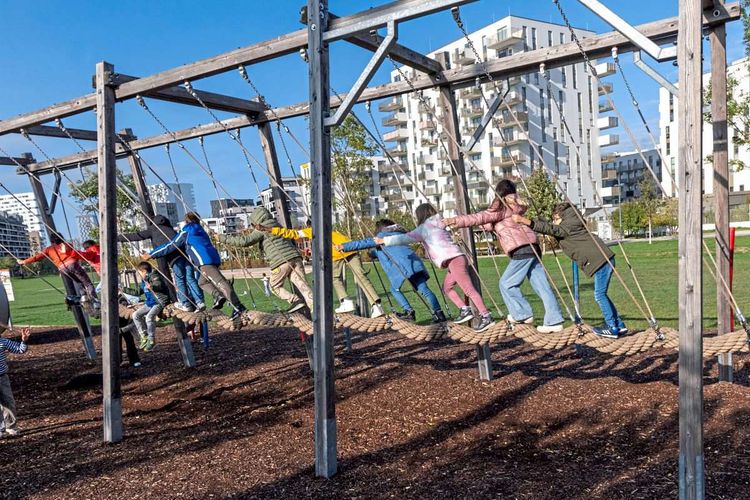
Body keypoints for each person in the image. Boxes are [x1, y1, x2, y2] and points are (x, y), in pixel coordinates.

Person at [444, 180, 564, 333]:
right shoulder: (517, 204)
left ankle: (522, 314)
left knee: (506, 284)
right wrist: (489, 225)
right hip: (532, 246)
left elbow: (480, 217)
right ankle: (554, 320)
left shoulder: (501, 204)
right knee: (542, 286)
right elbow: (495, 221)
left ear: (499, 192)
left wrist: (454, 220)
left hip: (520, 248)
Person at [513, 202, 627, 338]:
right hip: (603, 259)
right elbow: (551, 228)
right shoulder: (573, 222)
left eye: (555, 219)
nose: (554, 222)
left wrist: (524, 221)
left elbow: (554, 230)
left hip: (600, 261)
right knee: (602, 294)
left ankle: (612, 327)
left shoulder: (568, 226)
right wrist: (543, 222)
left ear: (561, 216)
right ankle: (619, 325)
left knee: (599, 295)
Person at [374, 204, 494, 333]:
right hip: (455, 259)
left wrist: (384, 241)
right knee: (447, 288)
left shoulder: (424, 228)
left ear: (420, 215)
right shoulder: (439, 223)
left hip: (454, 260)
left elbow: (405, 238)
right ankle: (465, 309)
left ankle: (486, 316)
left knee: (469, 290)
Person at [255, 219, 384, 318]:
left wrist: (269, 229)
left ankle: (346, 301)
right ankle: (377, 305)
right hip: (350, 248)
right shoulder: (333, 230)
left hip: (336, 254)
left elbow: (291, 233)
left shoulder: (311, 230)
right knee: (361, 276)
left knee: (335, 278)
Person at [338, 219, 446, 323]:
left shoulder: (382, 236)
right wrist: (373, 254)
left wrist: (344, 246)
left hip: (402, 267)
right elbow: (390, 250)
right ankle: (439, 313)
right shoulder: (400, 235)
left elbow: (363, 243)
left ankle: (409, 311)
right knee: (425, 290)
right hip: (415, 264)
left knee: (394, 289)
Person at [146, 212, 245, 320]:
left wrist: (152, 254)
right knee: (202, 282)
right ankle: (218, 295)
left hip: (204, 262)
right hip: (213, 258)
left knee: (221, 282)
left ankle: (238, 307)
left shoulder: (187, 231)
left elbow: (171, 245)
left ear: (186, 221)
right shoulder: (200, 229)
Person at [220, 207, 312, 314]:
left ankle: (294, 300)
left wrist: (223, 239)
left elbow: (245, 241)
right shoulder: (276, 225)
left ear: (256, 221)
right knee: (303, 286)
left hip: (280, 261)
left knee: (274, 286)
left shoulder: (262, 228)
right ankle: (316, 308)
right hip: (295, 257)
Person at [120, 214, 205, 313]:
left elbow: (136, 236)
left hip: (174, 258)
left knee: (180, 280)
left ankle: (185, 303)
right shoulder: (171, 229)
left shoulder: (153, 229)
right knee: (190, 278)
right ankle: (200, 301)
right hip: (186, 255)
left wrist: (119, 237)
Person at [18, 234, 98, 306]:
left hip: (62, 268)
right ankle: (95, 302)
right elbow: (76, 255)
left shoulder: (49, 249)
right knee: (87, 283)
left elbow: (37, 257)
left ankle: (84, 298)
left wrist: (24, 261)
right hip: (72, 264)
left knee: (79, 283)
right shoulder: (67, 245)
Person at [130, 261, 170, 352]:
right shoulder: (144, 281)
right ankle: (144, 336)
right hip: (150, 303)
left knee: (149, 318)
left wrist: (152, 286)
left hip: (159, 301)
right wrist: (122, 290)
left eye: (139, 272)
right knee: (135, 315)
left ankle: (151, 339)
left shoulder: (153, 276)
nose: (139, 274)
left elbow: (159, 285)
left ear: (144, 271)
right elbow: (137, 292)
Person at [0, 326, 30, 438]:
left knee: (8, 402)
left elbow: (20, 349)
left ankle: (11, 426)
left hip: (2, 377)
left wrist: (24, 340)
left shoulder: (3, 342)